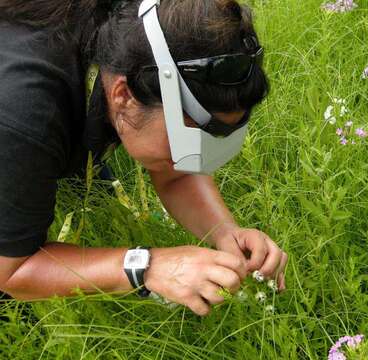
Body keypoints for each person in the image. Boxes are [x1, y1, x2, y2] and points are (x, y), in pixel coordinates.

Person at [0, 0, 288, 316]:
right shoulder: (25, 118)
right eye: (184, 140)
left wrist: (225, 232)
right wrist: (148, 267)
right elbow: (12, 270)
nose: (191, 158)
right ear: (122, 95)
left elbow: (175, 170)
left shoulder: (147, 30)